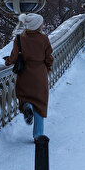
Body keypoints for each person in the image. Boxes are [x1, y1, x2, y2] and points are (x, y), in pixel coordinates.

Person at [5, 13, 54, 141]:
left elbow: (14, 57)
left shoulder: (19, 38)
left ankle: (28, 105)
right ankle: (38, 134)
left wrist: (7, 61)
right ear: (37, 25)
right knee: (40, 103)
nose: (43, 24)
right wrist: (47, 68)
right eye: (41, 23)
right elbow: (49, 58)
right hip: (39, 73)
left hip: (24, 73)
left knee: (25, 95)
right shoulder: (44, 39)